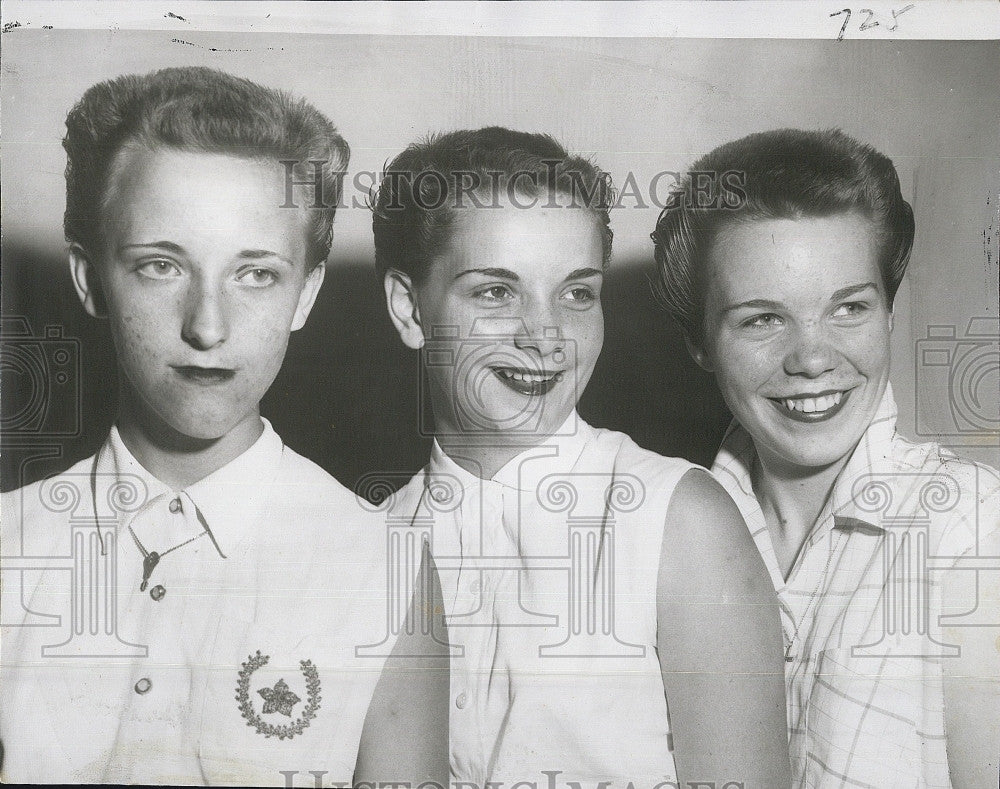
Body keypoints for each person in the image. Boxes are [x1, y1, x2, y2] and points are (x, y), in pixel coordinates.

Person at [0, 66, 446, 785]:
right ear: (89, 280)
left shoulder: (385, 570)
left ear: (306, 292)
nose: (207, 326)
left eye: (256, 274)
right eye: (160, 266)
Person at [375, 126, 790, 788]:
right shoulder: (365, 538)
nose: (545, 337)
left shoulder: (678, 519)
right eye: (494, 291)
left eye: (576, 293)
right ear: (409, 308)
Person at [652, 127, 1000, 788]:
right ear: (699, 342)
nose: (812, 358)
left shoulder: (972, 528)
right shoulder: (659, 535)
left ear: (889, 312)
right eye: (762, 319)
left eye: (848, 308)